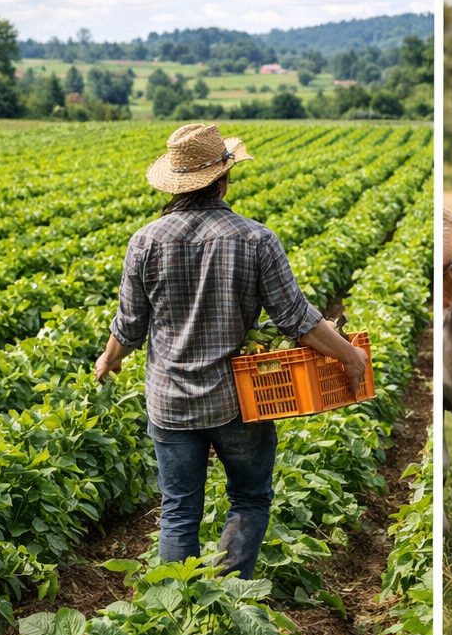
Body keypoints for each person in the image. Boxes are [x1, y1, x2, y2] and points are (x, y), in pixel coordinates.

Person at [95, 123, 369, 581]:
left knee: (179, 511)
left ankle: (178, 610)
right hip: (240, 400)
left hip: (171, 402)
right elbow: (296, 320)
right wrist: (349, 355)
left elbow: (130, 325)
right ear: (223, 180)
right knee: (248, 497)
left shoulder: (144, 240)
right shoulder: (255, 239)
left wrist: (110, 357)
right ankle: (228, 600)